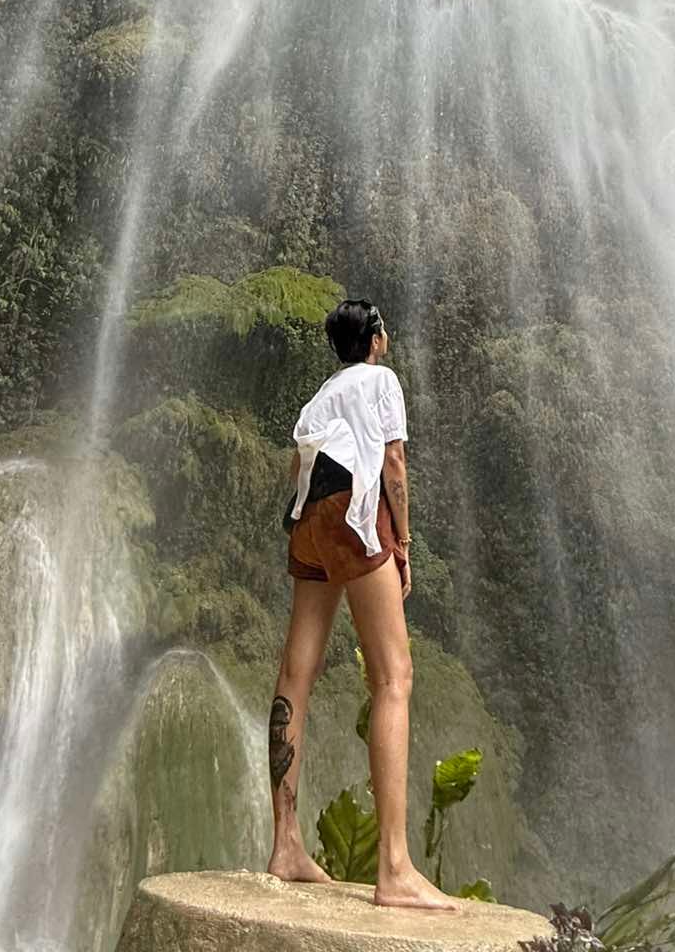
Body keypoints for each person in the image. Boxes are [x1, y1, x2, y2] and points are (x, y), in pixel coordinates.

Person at [265, 298, 455, 911]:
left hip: (309, 518)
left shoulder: (320, 395)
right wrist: (401, 542)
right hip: (353, 510)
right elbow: (393, 465)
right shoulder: (383, 380)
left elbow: (300, 465)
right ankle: (394, 868)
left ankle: (286, 846)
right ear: (374, 339)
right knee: (393, 677)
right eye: (385, 328)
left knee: (296, 673)